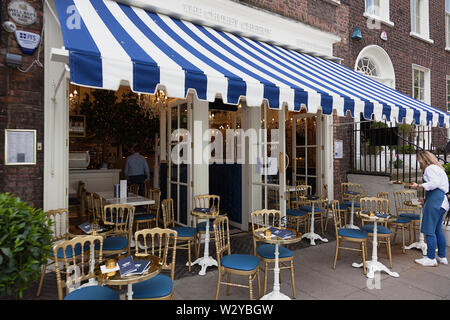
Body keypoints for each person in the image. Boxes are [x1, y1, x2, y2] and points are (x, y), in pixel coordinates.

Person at [410, 151, 448, 266]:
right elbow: (439, 186)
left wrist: (419, 186)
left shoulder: (430, 168)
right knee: (437, 230)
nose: (418, 163)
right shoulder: (438, 168)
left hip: (436, 201)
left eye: (418, 161)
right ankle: (442, 256)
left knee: (429, 230)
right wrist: (426, 198)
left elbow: (434, 183)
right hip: (442, 201)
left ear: (423, 159)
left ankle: (431, 258)